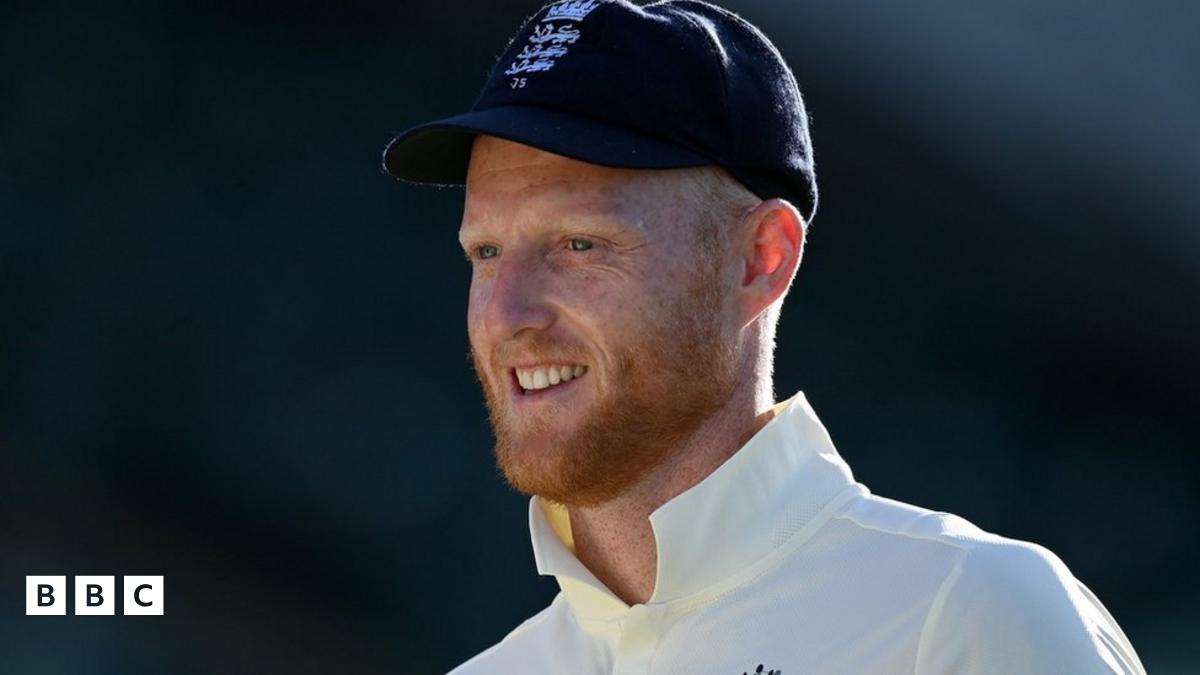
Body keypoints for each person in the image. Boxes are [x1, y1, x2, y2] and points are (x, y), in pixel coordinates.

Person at [381, 1, 1146, 673]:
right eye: (486, 251)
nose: (507, 313)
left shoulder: (969, 617)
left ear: (760, 258)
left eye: (580, 244)